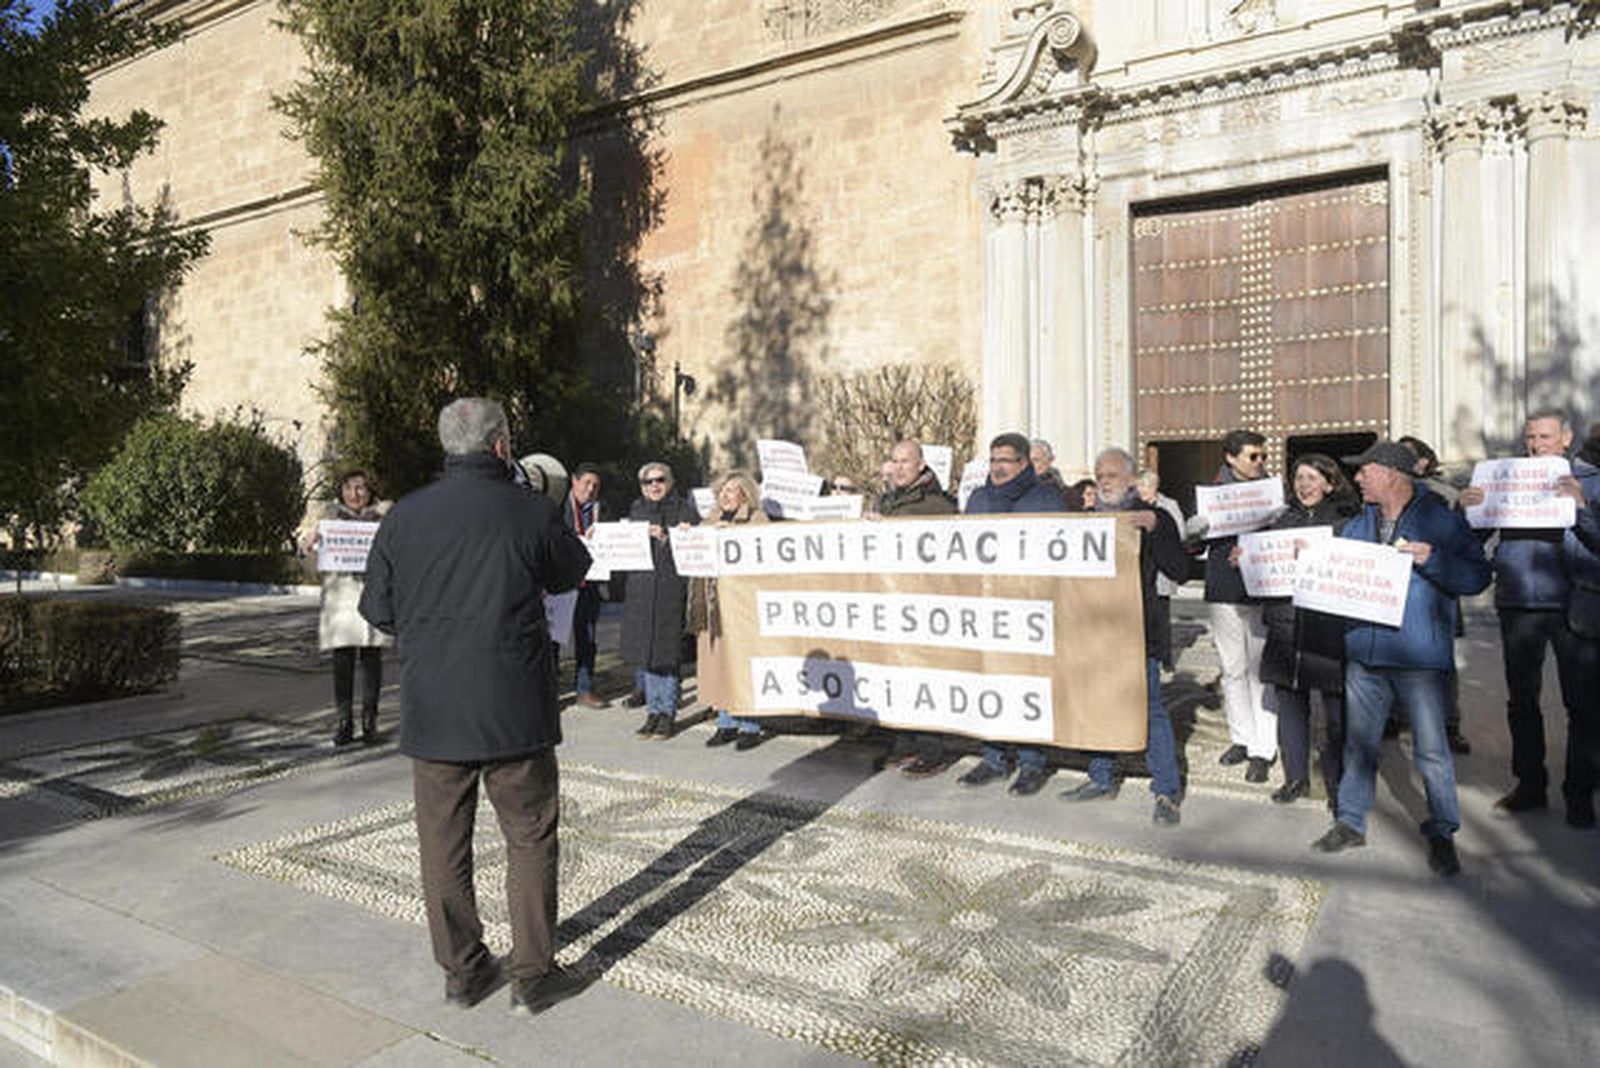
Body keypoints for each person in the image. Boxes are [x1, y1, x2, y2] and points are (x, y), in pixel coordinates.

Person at [358, 397, 593, 1013]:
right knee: (530, 835)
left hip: (435, 705)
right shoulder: (528, 511)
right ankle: (532, 976)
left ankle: (462, 972)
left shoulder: (405, 516)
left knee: (441, 842)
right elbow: (573, 570)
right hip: (514, 704)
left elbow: (378, 611)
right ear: (501, 446)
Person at [1311, 441, 1491, 877]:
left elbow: (1478, 576)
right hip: (1365, 656)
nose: (1357, 478)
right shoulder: (1357, 525)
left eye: (1364, 471)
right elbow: (1332, 569)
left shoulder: (1441, 521)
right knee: (1359, 745)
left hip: (1419, 659)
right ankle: (1351, 821)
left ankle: (1443, 830)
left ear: (1392, 473)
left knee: (1431, 751)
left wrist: (1435, 561)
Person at [1458, 410, 1600, 827]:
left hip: (1575, 604)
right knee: (1522, 702)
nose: (1536, 444)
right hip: (1519, 603)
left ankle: (1579, 793)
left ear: (1566, 438)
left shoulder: (1590, 481)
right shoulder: (1504, 478)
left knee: (1584, 705)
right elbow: (1471, 539)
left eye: (1545, 436)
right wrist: (1466, 509)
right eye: (1531, 437)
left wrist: (1581, 507)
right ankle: (1530, 786)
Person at [1060, 448, 1189, 825]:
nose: (1104, 480)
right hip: (1094, 635)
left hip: (1137, 634)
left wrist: (1158, 530)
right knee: (1098, 704)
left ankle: (1166, 790)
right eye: (1099, 473)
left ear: (1132, 480)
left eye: (1112, 474)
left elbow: (1180, 570)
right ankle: (1101, 778)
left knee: (1149, 709)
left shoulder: (1154, 517)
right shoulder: (1084, 521)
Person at [1234, 454, 1356, 805]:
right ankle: (1296, 778)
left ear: (1330, 483)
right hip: (1286, 625)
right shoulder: (1279, 522)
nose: (1304, 485)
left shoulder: (1347, 520)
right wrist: (1246, 564)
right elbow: (1259, 582)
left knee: (1337, 714)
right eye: (1299, 478)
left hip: (1328, 628)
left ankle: (1340, 783)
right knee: (1289, 707)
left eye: (1312, 478)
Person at [957, 432, 1067, 795]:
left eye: (1004, 460)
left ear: (1024, 464)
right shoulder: (978, 498)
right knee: (990, 681)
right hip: (988, 607)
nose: (997, 468)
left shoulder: (1047, 498)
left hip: (1030, 609)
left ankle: (1031, 762)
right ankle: (992, 757)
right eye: (992, 460)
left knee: (1026, 685)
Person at [872, 439, 958, 777]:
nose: (898, 467)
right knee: (898, 674)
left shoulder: (936, 502)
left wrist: (889, 527)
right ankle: (905, 743)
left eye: (906, 461)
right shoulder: (889, 499)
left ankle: (932, 749)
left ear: (921, 465)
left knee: (925, 676)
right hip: (894, 600)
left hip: (924, 603)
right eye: (894, 461)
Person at [1197, 429, 1277, 783]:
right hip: (1223, 589)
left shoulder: (1271, 492)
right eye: (1253, 456)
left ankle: (1263, 748)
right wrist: (1193, 532)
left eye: (1262, 456)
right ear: (1231, 458)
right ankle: (1241, 739)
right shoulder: (1210, 495)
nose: (1260, 462)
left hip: (1260, 590)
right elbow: (1194, 547)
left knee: (1261, 672)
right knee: (1232, 669)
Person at [1396, 435, 1470, 754]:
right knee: (1394, 656)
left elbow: (1464, 542)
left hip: (1435, 591)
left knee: (1441, 663)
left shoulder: (1447, 496)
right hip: (1396, 590)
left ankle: (1449, 724)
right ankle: (1395, 717)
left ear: (1424, 462)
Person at [306, 469, 391, 746]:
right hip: (340, 600)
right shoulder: (327, 518)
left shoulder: (384, 518)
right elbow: (307, 561)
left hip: (372, 595)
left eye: (362, 488)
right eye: (350, 488)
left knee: (371, 660)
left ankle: (370, 720)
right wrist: (309, 546)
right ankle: (344, 721)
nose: (355, 494)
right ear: (341, 490)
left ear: (370, 491)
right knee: (342, 661)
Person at [622, 461, 700, 739]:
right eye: (648, 482)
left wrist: (671, 537)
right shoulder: (636, 510)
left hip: (669, 592)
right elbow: (620, 544)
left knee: (666, 655)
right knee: (647, 655)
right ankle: (652, 712)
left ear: (670, 481)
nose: (654, 486)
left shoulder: (685, 511)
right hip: (641, 593)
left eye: (659, 480)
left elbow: (695, 550)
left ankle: (667, 713)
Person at [694, 471, 769, 750]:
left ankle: (750, 725)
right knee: (720, 664)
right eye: (722, 490)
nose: (725, 495)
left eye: (732, 490)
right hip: (714, 605)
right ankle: (725, 723)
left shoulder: (757, 519)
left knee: (743, 665)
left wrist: (736, 535)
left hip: (744, 607)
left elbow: (764, 554)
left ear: (745, 495)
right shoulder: (710, 519)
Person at [565, 463, 606, 708]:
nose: (590, 489)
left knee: (587, 638)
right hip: (562, 583)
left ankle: (585, 689)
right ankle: (549, 692)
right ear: (574, 481)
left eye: (595, 485)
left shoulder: (602, 508)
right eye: (586, 483)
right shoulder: (558, 505)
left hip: (590, 584)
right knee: (553, 640)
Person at [1137, 469, 1186, 670]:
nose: (1139, 490)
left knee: (1161, 617)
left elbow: (1180, 532)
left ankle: (1165, 658)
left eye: (1142, 486)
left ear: (1152, 487)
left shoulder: (1168, 505)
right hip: (1143, 570)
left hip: (1162, 572)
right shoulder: (1136, 507)